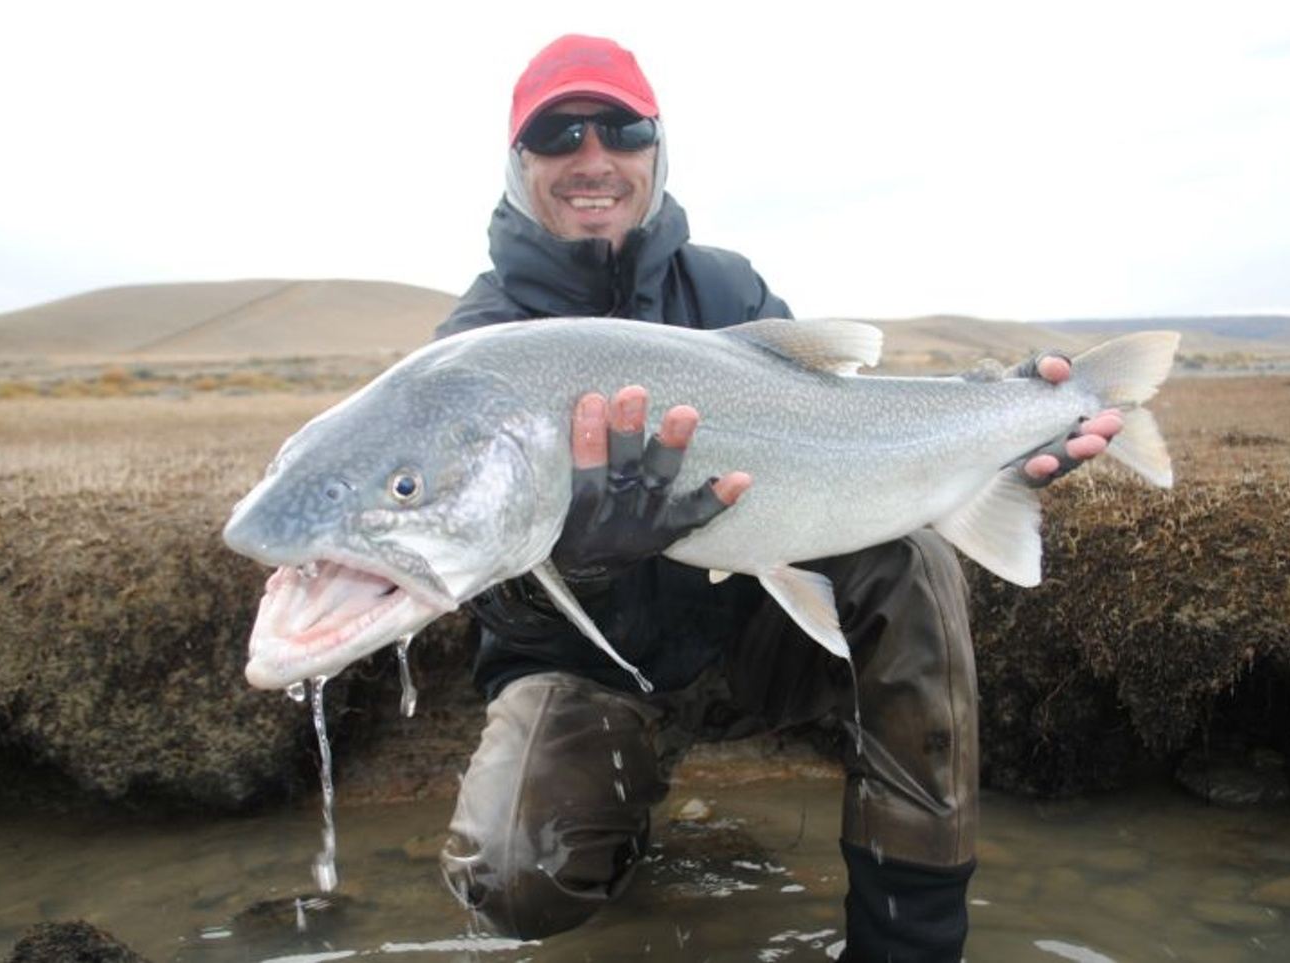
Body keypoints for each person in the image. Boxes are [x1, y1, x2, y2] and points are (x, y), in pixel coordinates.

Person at [432, 34, 1120, 961]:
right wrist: (577, 564)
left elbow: (836, 436)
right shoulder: (478, 347)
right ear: (520, 164)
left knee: (910, 553)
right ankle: (614, 814)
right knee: (513, 880)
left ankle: (908, 941)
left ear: (655, 149)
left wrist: (990, 441)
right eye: (559, 135)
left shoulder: (725, 286)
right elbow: (464, 571)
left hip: (752, 637)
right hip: (588, 672)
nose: (593, 158)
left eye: (621, 129)